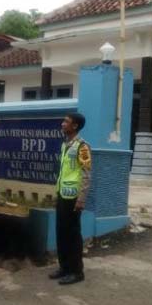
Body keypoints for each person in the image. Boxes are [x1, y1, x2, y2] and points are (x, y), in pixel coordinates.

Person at [48, 112, 92, 285]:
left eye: (66, 122)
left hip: (74, 197)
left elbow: (87, 174)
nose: (62, 124)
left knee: (72, 234)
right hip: (62, 194)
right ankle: (64, 267)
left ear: (75, 126)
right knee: (61, 232)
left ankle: (76, 271)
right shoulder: (65, 144)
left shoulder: (82, 147)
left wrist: (81, 199)